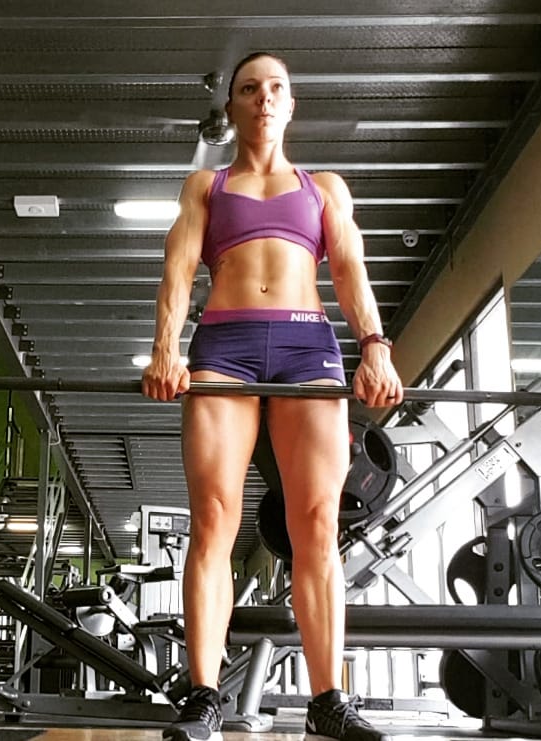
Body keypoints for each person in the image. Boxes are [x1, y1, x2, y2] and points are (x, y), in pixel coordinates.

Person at [142, 51, 404, 741]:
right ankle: (202, 695)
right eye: (249, 88)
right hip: (223, 347)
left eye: (276, 88)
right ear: (231, 108)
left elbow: (349, 270)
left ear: (291, 105)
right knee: (213, 520)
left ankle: (328, 700)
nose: (263, 97)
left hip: (306, 347)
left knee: (316, 524)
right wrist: (165, 347)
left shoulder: (324, 188)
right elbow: (177, 270)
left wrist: (375, 346)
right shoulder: (206, 185)